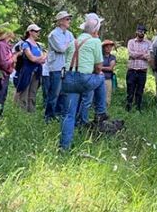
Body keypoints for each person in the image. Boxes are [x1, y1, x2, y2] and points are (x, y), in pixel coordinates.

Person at [59, 13, 108, 150]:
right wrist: (94, 72)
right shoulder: (95, 42)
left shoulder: (71, 43)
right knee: (101, 76)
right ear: (95, 30)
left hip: (68, 79)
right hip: (84, 79)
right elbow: (98, 67)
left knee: (68, 115)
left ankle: (64, 147)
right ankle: (100, 110)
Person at [45, 11, 74, 122]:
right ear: (60, 21)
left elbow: (73, 48)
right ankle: (49, 116)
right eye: (67, 19)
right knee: (54, 93)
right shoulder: (53, 34)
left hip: (66, 67)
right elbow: (61, 49)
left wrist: (67, 45)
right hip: (56, 67)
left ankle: (59, 114)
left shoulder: (69, 34)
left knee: (63, 92)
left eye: (69, 19)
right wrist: (68, 45)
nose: (69, 21)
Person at [14, 24, 47, 112]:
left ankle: (31, 112)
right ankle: (22, 112)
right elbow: (31, 58)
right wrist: (41, 57)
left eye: (38, 31)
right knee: (24, 92)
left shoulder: (38, 45)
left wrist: (39, 59)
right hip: (27, 72)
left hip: (37, 72)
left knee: (33, 93)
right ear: (30, 32)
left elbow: (43, 60)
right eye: (36, 31)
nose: (38, 33)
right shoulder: (25, 44)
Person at [126, 24, 150, 111]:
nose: (141, 33)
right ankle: (128, 108)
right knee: (130, 90)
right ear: (136, 31)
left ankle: (138, 109)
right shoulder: (131, 42)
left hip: (142, 71)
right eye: (140, 31)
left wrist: (137, 54)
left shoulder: (148, 43)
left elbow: (148, 56)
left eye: (143, 31)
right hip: (132, 70)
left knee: (140, 91)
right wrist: (142, 54)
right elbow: (131, 54)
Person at [101, 40, 117, 108]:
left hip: (108, 78)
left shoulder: (112, 57)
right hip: (99, 77)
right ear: (103, 48)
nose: (109, 48)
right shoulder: (100, 56)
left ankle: (106, 108)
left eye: (110, 47)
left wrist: (100, 67)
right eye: (107, 47)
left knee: (107, 95)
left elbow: (111, 68)